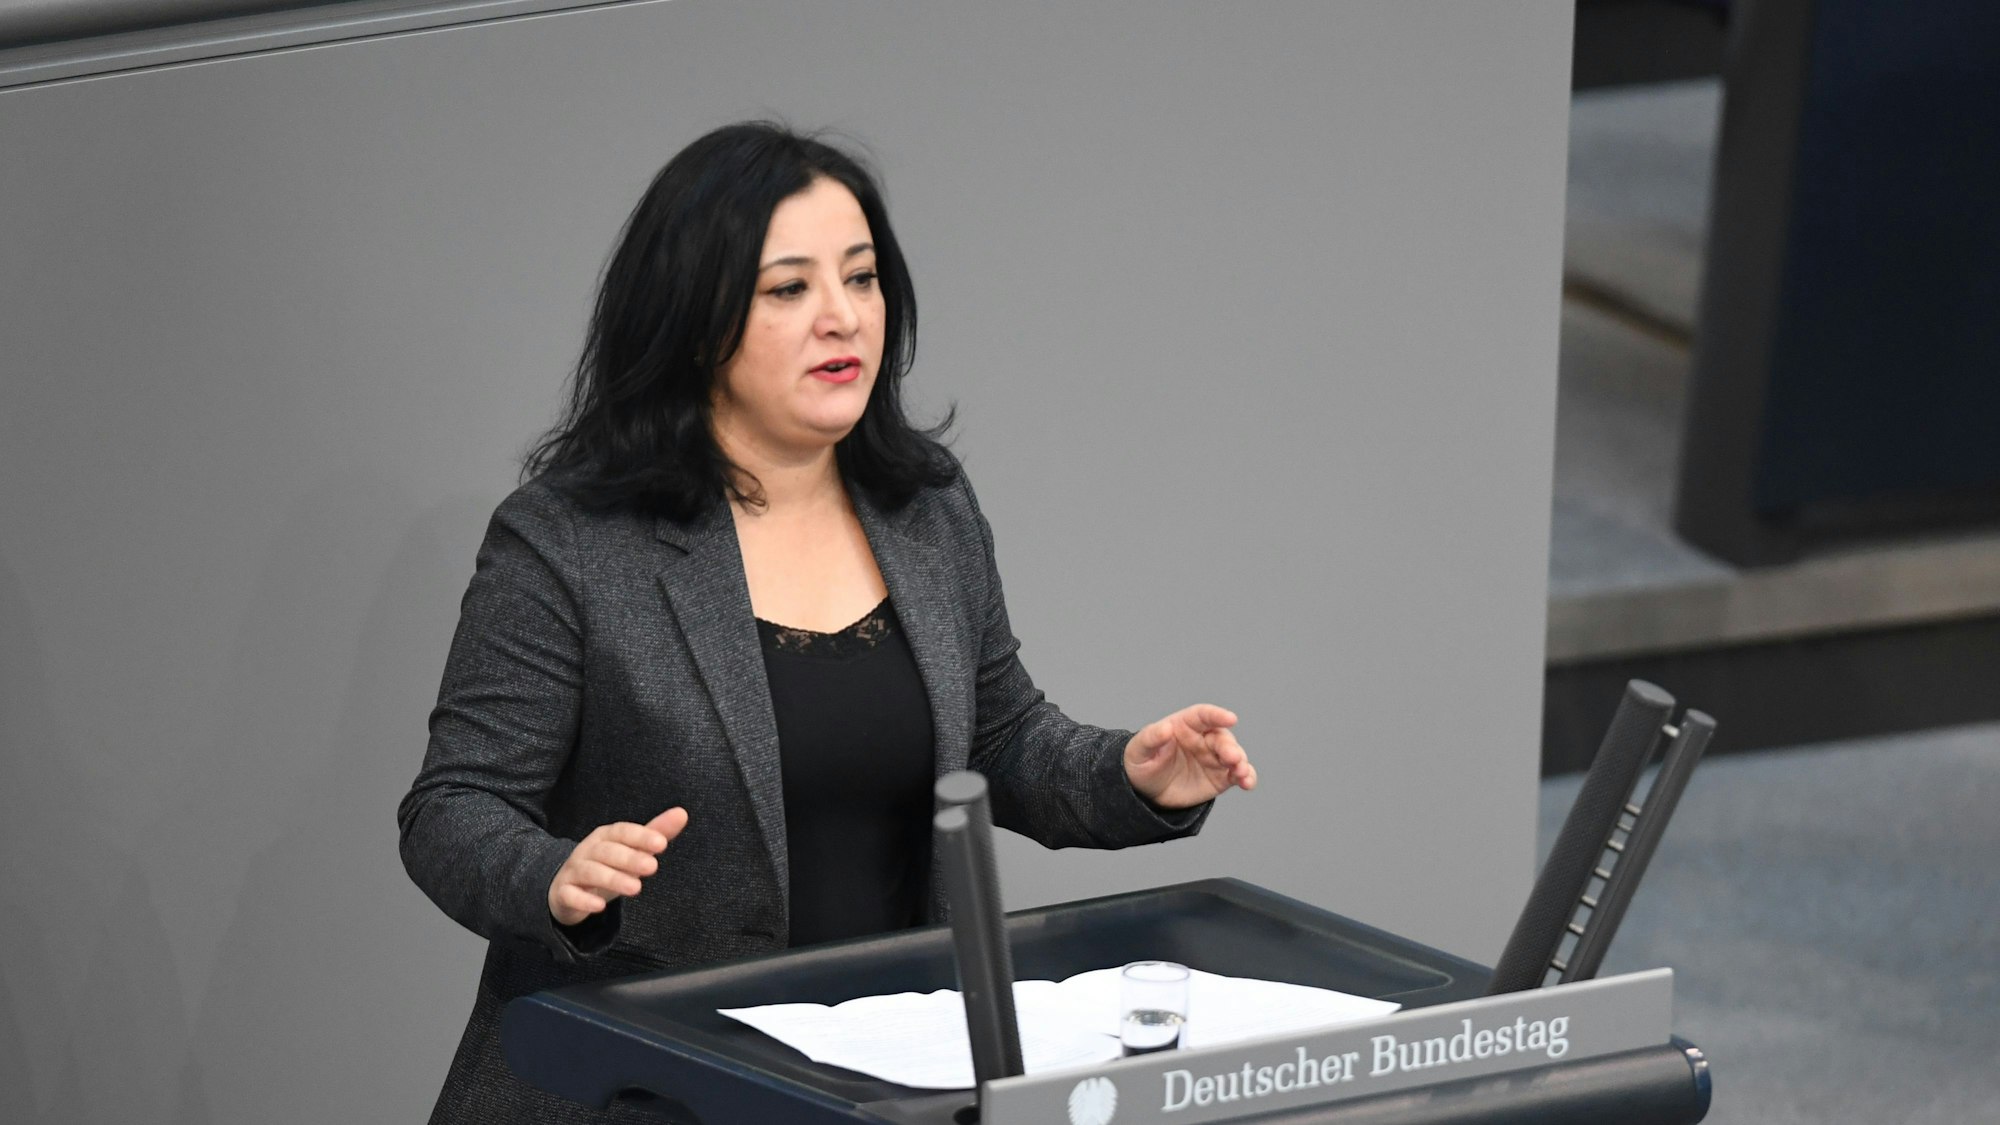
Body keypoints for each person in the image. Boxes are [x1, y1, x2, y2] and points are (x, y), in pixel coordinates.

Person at [397, 121, 1257, 1125]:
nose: (842, 318)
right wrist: (554, 874)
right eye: (788, 289)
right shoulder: (570, 540)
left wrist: (1131, 776)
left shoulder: (925, 508)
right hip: (637, 1091)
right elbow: (451, 810)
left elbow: (997, 741)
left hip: (880, 1086)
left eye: (861, 279)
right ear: (691, 318)